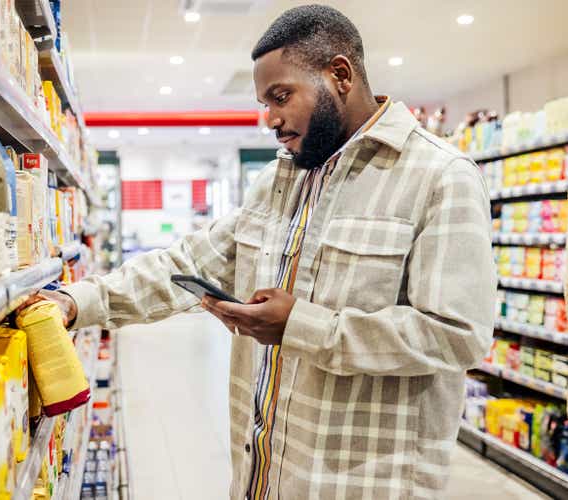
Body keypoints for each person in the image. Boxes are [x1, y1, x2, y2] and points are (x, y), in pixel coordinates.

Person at [32, 5, 496, 499]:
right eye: (263, 101)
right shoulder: (280, 179)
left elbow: (458, 335)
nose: (268, 119)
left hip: (358, 486)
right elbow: (187, 264)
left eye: (281, 96)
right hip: (263, 479)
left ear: (339, 75)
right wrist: (75, 301)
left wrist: (300, 326)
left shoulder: (439, 175)